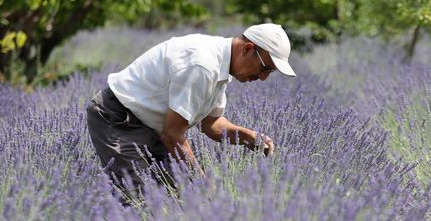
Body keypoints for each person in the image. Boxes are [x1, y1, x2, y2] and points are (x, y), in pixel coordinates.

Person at [86, 23, 296, 200]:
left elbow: (211, 125)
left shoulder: (221, 66)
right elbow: (172, 135)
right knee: (136, 202)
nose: (263, 78)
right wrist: (204, 184)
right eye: (264, 68)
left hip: (151, 126)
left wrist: (249, 137)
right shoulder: (203, 66)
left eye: (270, 72)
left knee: (179, 197)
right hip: (119, 120)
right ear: (248, 49)